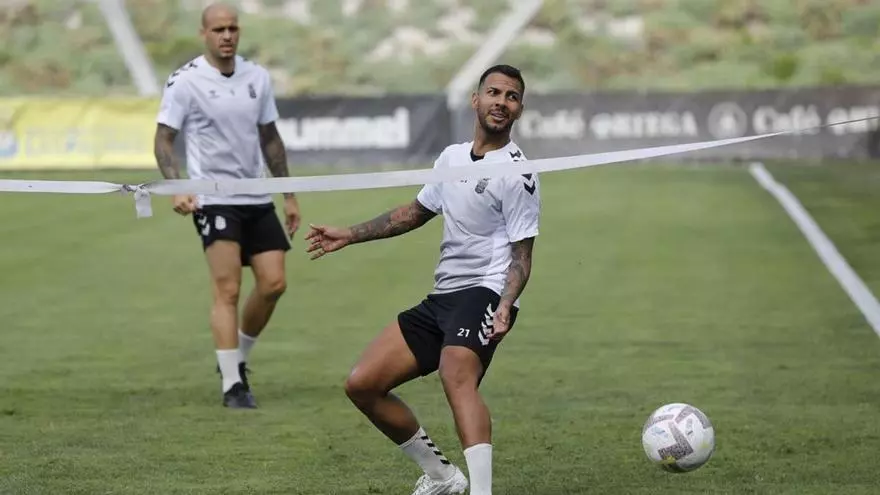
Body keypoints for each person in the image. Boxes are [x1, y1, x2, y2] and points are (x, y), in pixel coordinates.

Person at [305, 64, 540, 495]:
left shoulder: (518, 173)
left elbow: (522, 256)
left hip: (487, 291)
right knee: (363, 384)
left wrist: (506, 304)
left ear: (520, 109)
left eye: (511, 96)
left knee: (456, 373)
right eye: (494, 92)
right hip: (443, 296)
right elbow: (415, 213)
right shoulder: (451, 158)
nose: (501, 102)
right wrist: (350, 234)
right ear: (476, 100)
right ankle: (443, 477)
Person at [152, 1, 301, 409]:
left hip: (257, 196)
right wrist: (178, 186)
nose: (227, 36)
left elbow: (270, 138)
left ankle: (236, 359)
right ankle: (233, 386)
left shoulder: (258, 77)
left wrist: (288, 194)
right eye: (218, 29)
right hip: (214, 199)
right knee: (228, 289)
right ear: (204, 34)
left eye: (232, 28)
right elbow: (164, 139)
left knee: (274, 284)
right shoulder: (185, 80)